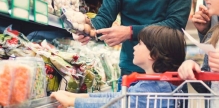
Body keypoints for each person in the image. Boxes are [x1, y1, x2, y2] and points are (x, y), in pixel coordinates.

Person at [51, 25, 186, 108]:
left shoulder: (154, 91)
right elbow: (116, 98)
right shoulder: (153, 84)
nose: (134, 47)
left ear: (153, 54)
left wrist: (73, 102)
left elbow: (115, 104)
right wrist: (73, 96)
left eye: (139, 44)